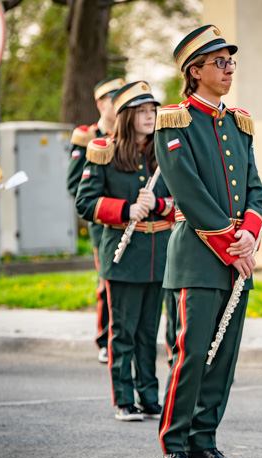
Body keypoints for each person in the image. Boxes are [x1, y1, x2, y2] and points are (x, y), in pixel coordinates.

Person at [154, 25, 262, 458]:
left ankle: (204, 441)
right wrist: (230, 243)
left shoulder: (239, 122)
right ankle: (175, 443)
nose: (228, 69)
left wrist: (251, 235)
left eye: (230, 62)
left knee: (224, 358)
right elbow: (189, 192)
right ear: (194, 70)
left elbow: (256, 189)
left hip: (237, 256)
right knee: (193, 352)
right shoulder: (175, 120)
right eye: (219, 62)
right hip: (199, 258)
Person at [75, 81, 173, 422]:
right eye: (143, 112)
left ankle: (148, 394)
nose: (150, 117)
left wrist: (159, 203)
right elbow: (85, 202)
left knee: (149, 332)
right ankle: (124, 398)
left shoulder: (163, 153)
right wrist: (125, 210)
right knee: (124, 331)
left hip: (157, 253)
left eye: (153, 111)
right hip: (124, 253)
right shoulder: (104, 151)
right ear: (128, 116)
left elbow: (181, 204)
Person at [67, 77, 126, 364]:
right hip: (102, 223)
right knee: (107, 281)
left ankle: (124, 336)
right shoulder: (86, 137)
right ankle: (105, 339)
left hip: (131, 221)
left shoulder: (132, 137)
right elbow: (75, 184)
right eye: (114, 99)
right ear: (101, 103)